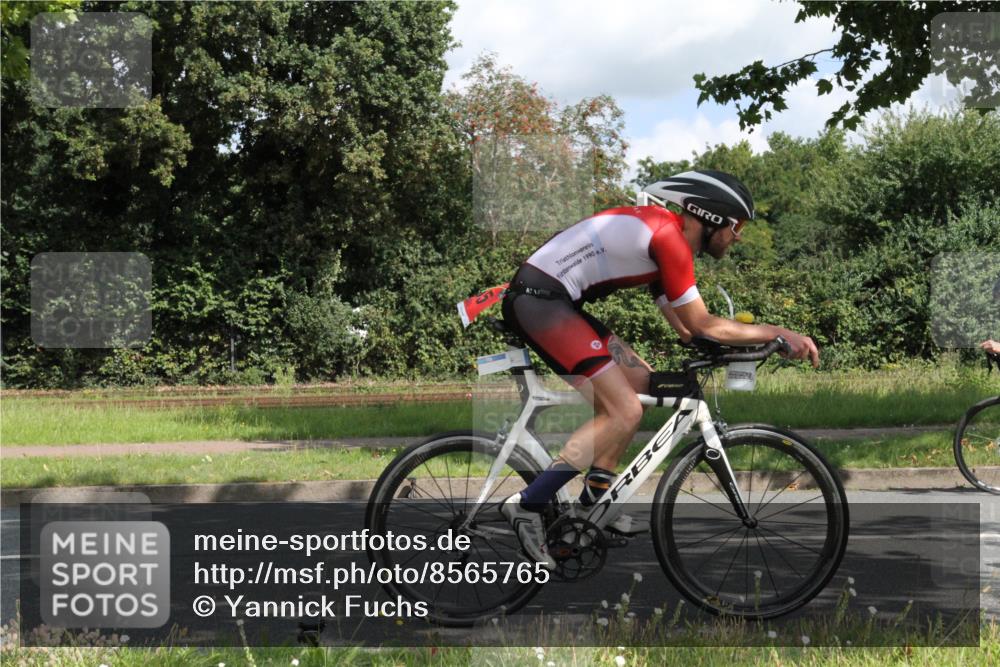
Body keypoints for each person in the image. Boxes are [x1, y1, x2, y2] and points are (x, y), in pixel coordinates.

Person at [499, 169, 820, 569]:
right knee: (624, 410)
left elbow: (688, 329)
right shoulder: (668, 239)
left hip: (554, 302)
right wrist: (776, 332)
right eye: (737, 226)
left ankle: (591, 505)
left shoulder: (664, 237)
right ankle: (527, 504)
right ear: (713, 217)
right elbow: (704, 323)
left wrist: (741, 346)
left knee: (639, 385)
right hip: (541, 301)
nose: (739, 236)